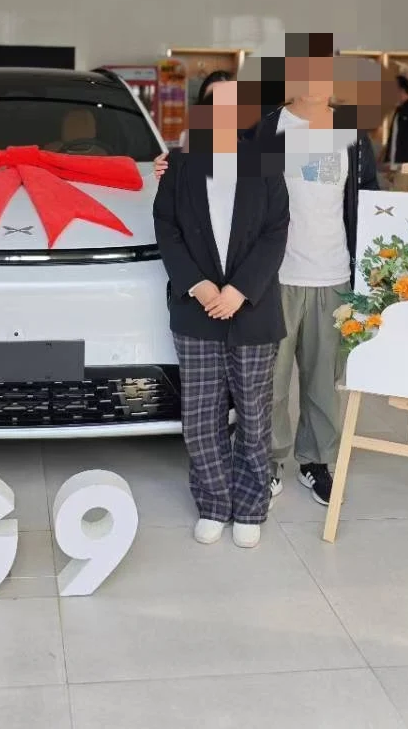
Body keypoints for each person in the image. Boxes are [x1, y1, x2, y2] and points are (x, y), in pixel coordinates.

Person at [153, 80, 289, 548]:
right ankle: (214, 502)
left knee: (254, 415)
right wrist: (199, 284)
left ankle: (250, 505)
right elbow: (166, 228)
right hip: (197, 309)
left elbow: (276, 231)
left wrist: (239, 290)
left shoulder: (266, 163)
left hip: (252, 309)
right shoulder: (180, 164)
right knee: (201, 416)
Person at [252, 38, 378, 506]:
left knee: (324, 380)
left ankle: (316, 461)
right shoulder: (268, 129)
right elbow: (236, 191)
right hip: (276, 275)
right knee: (269, 380)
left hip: (333, 274)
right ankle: (267, 460)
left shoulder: (352, 135)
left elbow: (368, 203)